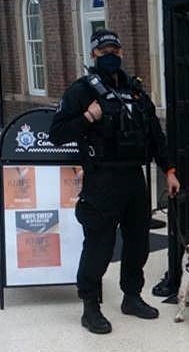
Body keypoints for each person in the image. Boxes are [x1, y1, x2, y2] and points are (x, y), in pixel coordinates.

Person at [49, 29, 180, 334]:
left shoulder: (135, 90)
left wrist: (169, 170)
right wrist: (87, 117)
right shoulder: (81, 91)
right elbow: (57, 134)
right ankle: (90, 306)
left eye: (115, 50)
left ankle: (131, 297)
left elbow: (155, 136)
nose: (111, 54)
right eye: (104, 50)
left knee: (138, 244)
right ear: (93, 54)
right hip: (102, 180)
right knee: (99, 246)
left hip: (135, 179)